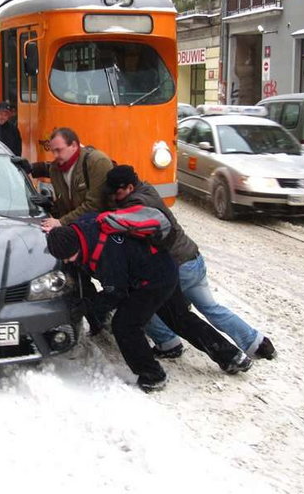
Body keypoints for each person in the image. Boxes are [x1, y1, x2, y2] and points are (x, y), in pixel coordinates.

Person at [46, 214, 252, 392]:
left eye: (69, 257)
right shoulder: (81, 227)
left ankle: (153, 376)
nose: (68, 262)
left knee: (125, 325)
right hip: (162, 266)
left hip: (152, 280)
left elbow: (117, 293)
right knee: (180, 318)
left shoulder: (106, 254)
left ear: (74, 247)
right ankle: (231, 356)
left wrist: (88, 307)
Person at [104, 165, 277, 361]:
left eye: (117, 192)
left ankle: (168, 342)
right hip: (193, 258)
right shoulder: (147, 189)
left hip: (178, 266)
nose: (114, 198)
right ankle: (257, 342)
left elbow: (119, 223)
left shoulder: (137, 204)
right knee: (211, 308)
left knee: (147, 305)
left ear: (128, 187)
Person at [31, 127, 114, 334]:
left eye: (59, 150)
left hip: (103, 234)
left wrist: (61, 221)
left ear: (75, 145)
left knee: (114, 282)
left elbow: (95, 205)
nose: (55, 156)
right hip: (78, 232)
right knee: (80, 279)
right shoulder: (57, 169)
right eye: (53, 151)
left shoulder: (96, 162)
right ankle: (98, 319)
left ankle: (147, 329)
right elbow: (63, 201)